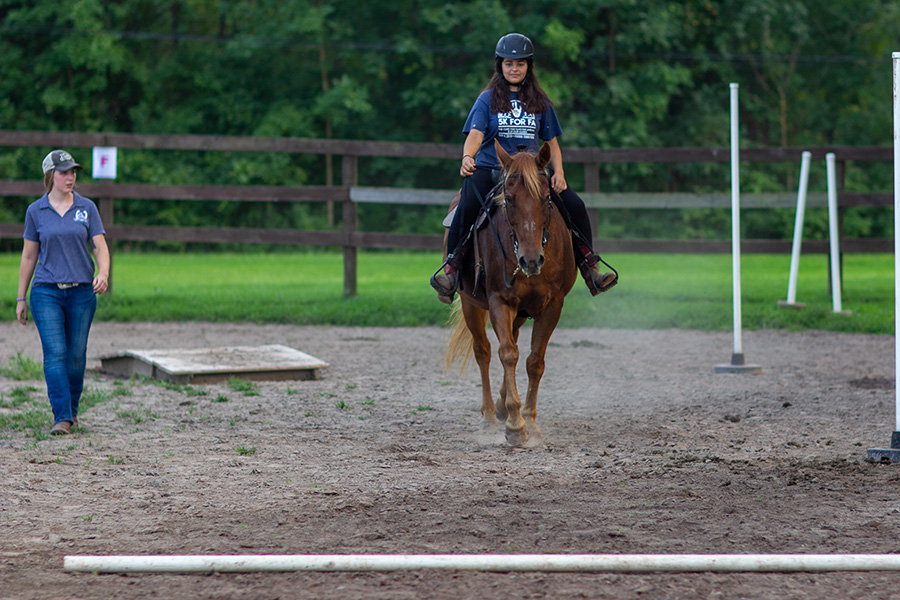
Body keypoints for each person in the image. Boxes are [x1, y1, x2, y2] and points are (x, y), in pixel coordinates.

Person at [431, 33, 617, 303]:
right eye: (508, 64)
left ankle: (591, 268)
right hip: (492, 168)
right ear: (500, 66)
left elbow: (551, 141)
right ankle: (451, 270)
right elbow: (475, 133)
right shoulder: (486, 100)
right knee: (467, 204)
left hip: (531, 173)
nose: (514, 69)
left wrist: (560, 174)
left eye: (520, 64)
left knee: (575, 206)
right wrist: (467, 156)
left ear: (528, 66)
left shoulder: (540, 102)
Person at [16, 150, 110, 436]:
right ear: (50, 176)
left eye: (73, 172)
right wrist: (21, 297)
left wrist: (103, 273)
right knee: (55, 353)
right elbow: (29, 256)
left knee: (76, 355)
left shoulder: (86, 208)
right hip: (46, 292)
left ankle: (72, 409)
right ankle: (62, 417)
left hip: (82, 291)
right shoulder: (36, 211)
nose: (70, 177)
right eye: (63, 172)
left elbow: (100, 246)